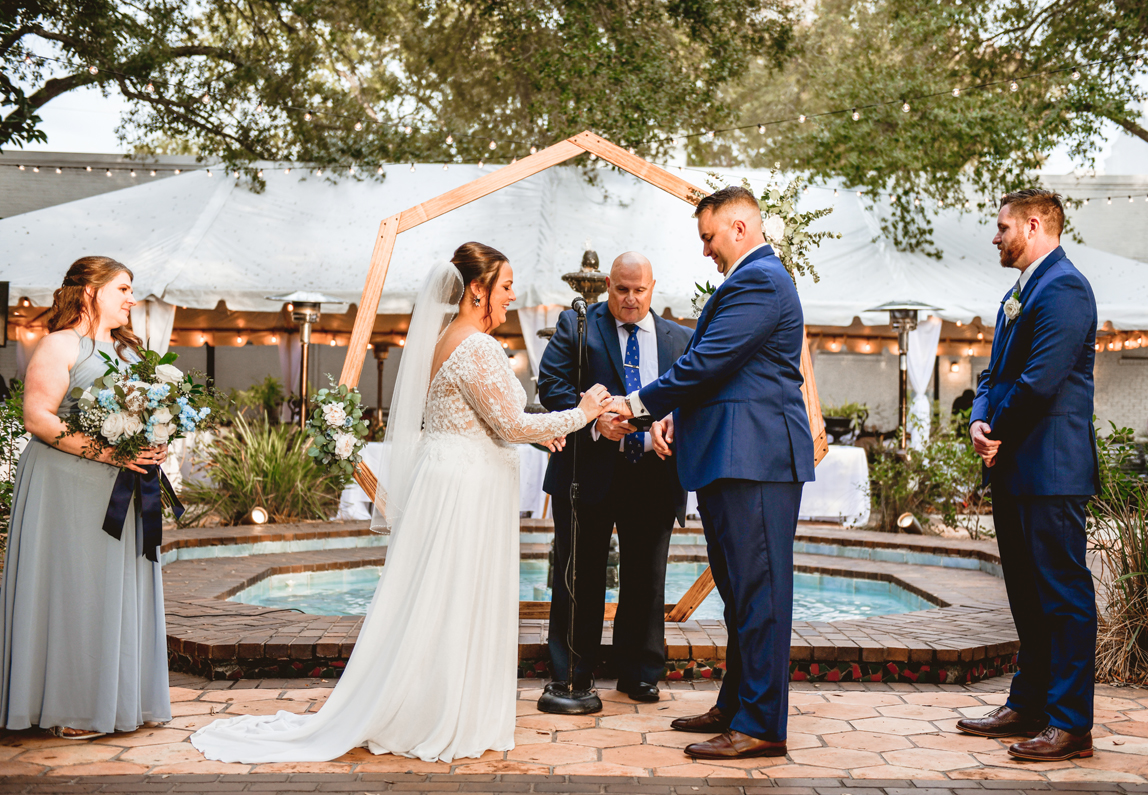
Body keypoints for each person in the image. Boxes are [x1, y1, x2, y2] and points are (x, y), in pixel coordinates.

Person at [191, 243, 613, 764]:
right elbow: (511, 423)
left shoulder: (447, 340)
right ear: (477, 290)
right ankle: (443, 713)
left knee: (439, 598)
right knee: (455, 595)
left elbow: (487, 418)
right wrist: (583, 411)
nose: (510, 297)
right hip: (466, 490)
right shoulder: (478, 346)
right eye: (504, 287)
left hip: (453, 480)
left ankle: (429, 699)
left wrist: (535, 434)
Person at [610, 186, 814, 760]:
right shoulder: (750, 281)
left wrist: (637, 405)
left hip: (757, 459)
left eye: (709, 237)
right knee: (738, 594)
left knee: (760, 594)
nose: (705, 251)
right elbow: (722, 374)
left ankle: (762, 726)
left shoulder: (759, 281)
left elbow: (707, 363)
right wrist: (676, 410)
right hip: (734, 456)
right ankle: (736, 705)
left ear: (741, 229)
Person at [0, 257, 171, 739]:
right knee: (76, 587)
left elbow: (150, 412)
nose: (131, 299)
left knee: (116, 589)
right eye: (123, 288)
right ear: (91, 292)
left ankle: (123, 700)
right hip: (66, 488)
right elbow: (39, 418)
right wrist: (113, 451)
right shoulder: (59, 345)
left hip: (123, 487)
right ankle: (71, 707)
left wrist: (155, 441)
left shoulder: (131, 354)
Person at [957, 190, 1099, 762]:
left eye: (1002, 227)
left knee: (1062, 594)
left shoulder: (1065, 288)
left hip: (1052, 468)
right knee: (1024, 592)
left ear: (1034, 225)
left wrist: (998, 432)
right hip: (1015, 464)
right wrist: (977, 418)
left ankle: (1071, 723)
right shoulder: (1016, 293)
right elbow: (993, 373)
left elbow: (1040, 380)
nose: (995, 237)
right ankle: (1028, 703)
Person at [536, 252, 692, 708]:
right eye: (621, 289)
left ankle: (639, 673)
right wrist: (594, 422)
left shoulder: (678, 338)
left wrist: (673, 422)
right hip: (589, 471)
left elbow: (690, 398)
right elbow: (551, 386)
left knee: (646, 579)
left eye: (639, 290)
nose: (629, 299)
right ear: (608, 283)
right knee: (578, 576)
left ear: (653, 286)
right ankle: (570, 676)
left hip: (653, 473)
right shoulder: (576, 325)